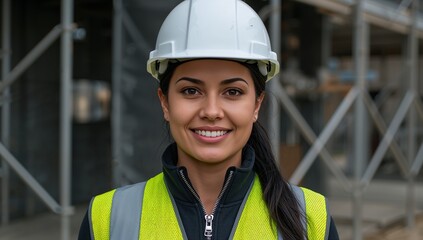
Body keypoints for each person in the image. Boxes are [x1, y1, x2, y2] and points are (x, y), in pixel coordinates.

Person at [79, 0, 339, 239]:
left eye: (233, 92)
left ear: (256, 104)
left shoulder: (312, 219)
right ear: (165, 102)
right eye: (191, 91)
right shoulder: (106, 218)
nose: (212, 111)